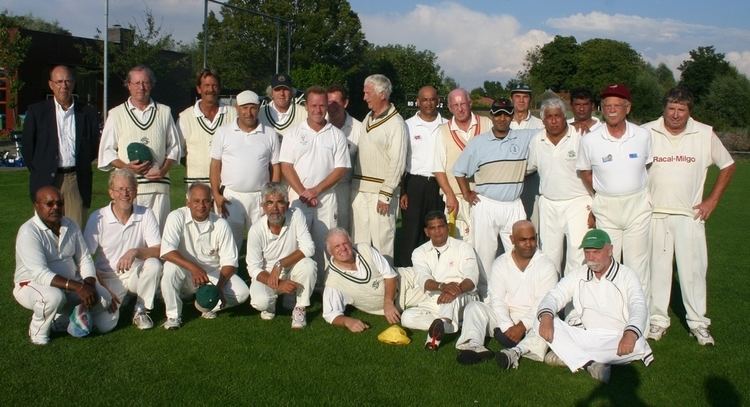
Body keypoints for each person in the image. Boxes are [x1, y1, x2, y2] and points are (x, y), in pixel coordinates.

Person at [643, 87, 736, 345]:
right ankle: (658, 320)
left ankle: (698, 323)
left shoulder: (704, 133)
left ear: (689, 111)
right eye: (671, 108)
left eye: (681, 109)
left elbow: (728, 165)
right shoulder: (647, 131)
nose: (675, 114)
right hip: (655, 214)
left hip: (690, 215)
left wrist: (712, 200)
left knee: (693, 272)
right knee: (658, 272)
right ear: (664, 108)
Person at [536, 229, 654, 383]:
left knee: (638, 344)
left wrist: (630, 335)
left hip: (617, 338)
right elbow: (554, 295)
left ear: (610, 250)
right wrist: (546, 318)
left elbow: (638, 306)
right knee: (539, 318)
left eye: (596, 252)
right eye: (587, 252)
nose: (591, 258)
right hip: (586, 336)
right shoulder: (579, 273)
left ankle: (569, 355)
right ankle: (590, 365)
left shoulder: (627, 275)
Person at [453, 98, 536, 297]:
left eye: (506, 114)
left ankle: (518, 294)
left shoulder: (523, 137)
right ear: (491, 116)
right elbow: (459, 170)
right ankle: (485, 296)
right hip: (486, 204)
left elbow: (553, 129)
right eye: (497, 114)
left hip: (514, 205)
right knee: (484, 254)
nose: (501, 118)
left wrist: (579, 125)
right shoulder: (479, 142)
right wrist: (466, 193)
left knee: (519, 251)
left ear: (511, 116)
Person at [576, 83, 652, 295]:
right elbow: (585, 171)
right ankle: (612, 319)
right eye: (607, 105)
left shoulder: (642, 135)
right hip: (607, 207)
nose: (611, 109)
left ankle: (639, 323)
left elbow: (647, 166)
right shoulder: (590, 139)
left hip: (637, 206)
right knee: (608, 263)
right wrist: (602, 192)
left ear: (627, 108)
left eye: (616, 105)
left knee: (638, 266)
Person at [13, 186, 108, 345]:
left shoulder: (70, 225)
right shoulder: (28, 231)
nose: (56, 207)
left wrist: (89, 284)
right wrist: (79, 287)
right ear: (37, 206)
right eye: (49, 204)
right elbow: (40, 273)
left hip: (69, 284)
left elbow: (84, 258)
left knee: (103, 299)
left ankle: (61, 321)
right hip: (30, 284)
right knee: (53, 297)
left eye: (59, 203)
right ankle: (38, 332)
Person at [455, 221, 557, 368]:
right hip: (505, 315)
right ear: (512, 240)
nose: (529, 244)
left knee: (551, 320)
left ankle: (515, 352)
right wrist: (507, 326)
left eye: (532, 239)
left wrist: (521, 326)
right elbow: (497, 299)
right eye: (523, 239)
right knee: (474, 307)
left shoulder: (546, 265)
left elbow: (543, 302)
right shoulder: (500, 263)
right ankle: (475, 345)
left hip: (533, 318)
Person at [98, 65, 181, 229]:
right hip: (129, 188)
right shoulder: (116, 114)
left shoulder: (164, 111)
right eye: (136, 83)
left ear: (151, 84)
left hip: (158, 187)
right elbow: (106, 151)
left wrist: (163, 170)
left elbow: (175, 147)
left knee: (157, 238)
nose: (141, 87)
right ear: (128, 85)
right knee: (131, 235)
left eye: (145, 82)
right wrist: (127, 167)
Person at [160, 183, 250, 329]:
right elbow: (167, 251)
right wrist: (194, 268)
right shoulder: (176, 216)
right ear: (187, 202)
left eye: (206, 201)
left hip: (211, 274)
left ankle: (206, 305)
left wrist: (219, 288)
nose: (201, 206)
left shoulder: (221, 224)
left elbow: (230, 263)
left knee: (243, 293)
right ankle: (173, 316)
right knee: (170, 268)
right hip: (185, 271)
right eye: (196, 201)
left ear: (212, 203)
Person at [280, 86, 350, 271]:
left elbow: (341, 168)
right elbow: (286, 166)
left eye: (322, 105)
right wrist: (304, 192)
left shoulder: (337, 135)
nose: (318, 110)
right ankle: (292, 289)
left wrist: (316, 191)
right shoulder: (293, 133)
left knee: (325, 244)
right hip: (298, 198)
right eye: (313, 105)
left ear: (327, 106)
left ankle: (324, 287)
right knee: (295, 244)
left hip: (325, 200)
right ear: (306, 106)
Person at [84, 169, 162, 331]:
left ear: (135, 192)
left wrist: (135, 252)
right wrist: (103, 289)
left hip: (134, 274)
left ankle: (140, 309)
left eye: (129, 189)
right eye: (120, 189)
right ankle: (72, 315)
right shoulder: (98, 218)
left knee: (154, 264)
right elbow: (85, 259)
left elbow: (158, 249)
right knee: (105, 325)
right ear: (111, 193)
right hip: (107, 277)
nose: (125, 194)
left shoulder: (146, 213)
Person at [22, 65, 99, 227]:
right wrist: (42, 169)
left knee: (75, 230)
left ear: (73, 83)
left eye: (67, 81)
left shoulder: (87, 112)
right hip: (45, 180)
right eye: (59, 81)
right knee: (46, 232)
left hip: (75, 180)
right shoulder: (37, 112)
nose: (63, 85)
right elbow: (28, 150)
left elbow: (93, 146)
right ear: (51, 84)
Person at [209, 90, 281, 252]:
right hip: (231, 198)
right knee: (229, 246)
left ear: (258, 108)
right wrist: (216, 194)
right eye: (244, 108)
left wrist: (271, 197)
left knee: (264, 245)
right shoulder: (223, 132)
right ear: (237, 108)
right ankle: (227, 277)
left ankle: (261, 277)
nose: (248, 112)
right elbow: (215, 165)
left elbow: (276, 167)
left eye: (253, 108)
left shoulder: (270, 134)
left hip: (260, 198)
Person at [527, 98, 591, 275]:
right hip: (549, 203)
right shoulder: (536, 140)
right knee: (549, 255)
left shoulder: (580, 136)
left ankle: (574, 301)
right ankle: (551, 299)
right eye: (549, 117)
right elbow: (528, 168)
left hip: (578, 202)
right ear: (543, 119)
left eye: (558, 116)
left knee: (577, 254)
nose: (554, 120)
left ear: (565, 117)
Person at [323, 228, 427, 333]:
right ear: (330, 252)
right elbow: (330, 314)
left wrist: (388, 302)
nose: (343, 248)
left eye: (345, 243)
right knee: (437, 296)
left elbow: (389, 275)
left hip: (405, 276)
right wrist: (347, 321)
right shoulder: (332, 280)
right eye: (337, 246)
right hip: (403, 298)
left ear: (351, 243)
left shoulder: (365, 249)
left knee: (437, 274)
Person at [401, 211, 479, 350]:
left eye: (441, 226)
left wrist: (456, 290)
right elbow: (423, 279)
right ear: (426, 231)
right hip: (435, 297)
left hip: (462, 296)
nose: (438, 231)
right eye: (433, 228)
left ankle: (433, 339)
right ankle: (449, 324)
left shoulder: (464, 247)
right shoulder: (419, 252)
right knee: (406, 317)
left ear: (447, 227)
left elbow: (472, 279)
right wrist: (443, 287)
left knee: (450, 300)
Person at [350, 74, 408, 264]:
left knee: (382, 242)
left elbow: (398, 161)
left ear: (382, 94)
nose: (364, 97)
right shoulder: (368, 117)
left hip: (380, 194)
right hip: (360, 190)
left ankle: (387, 288)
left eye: (368, 93)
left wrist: (386, 194)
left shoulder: (396, 124)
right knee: (360, 241)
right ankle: (363, 286)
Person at [246, 183, 317, 329]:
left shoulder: (296, 215)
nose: (275, 208)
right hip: (267, 275)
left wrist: (280, 264)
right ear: (263, 206)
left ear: (287, 204)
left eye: (280, 202)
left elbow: (309, 248)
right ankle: (271, 304)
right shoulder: (256, 230)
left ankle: (299, 308)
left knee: (309, 265)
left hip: (290, 270)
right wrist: (279, 283)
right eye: (270, 203)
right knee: (261, 302)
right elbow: (253, 268)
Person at [433, 88, 493, 242]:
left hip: (483, 196)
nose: (460, 109)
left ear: (470, 103)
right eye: (455, 105)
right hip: (456, 198)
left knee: (484, 243)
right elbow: (438, 169)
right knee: (457, 244)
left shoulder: (486, 124)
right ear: (450, 108)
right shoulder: (442, 131)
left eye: (463, 104)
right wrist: (449, 195)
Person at [397, 86, 446, 266]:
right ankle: (406, 272)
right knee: (411, 231)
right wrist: (403, 191)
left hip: (439, 184)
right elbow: (401, 160)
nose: (428, 103)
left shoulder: (447, 124)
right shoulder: (406, 125)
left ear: (438, 101)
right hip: (414, 183)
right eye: (424, 100)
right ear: (418, 101)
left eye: (432, 99)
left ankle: (435, 270)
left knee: (437, 230)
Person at [178, 69, 236, 186]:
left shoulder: (233, 114)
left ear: (219, 88)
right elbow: (179, 152)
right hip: (196, 186)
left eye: (214, 86)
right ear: (199, 89)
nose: (211, 90)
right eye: (207, 85)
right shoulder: (185, 117)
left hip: (226, 183)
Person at [327, 85, 362, 233]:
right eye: (328, 102)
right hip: (323, 189)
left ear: (345, 103)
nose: (331, 106)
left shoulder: (358, 129)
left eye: (336, 102)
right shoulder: (319, 125)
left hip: (346, 189)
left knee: (343, 231)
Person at [509, 83, 545, 230]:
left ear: (530, 99)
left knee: (533, 225)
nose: (521, 100)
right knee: (511, 227)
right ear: (511, 99)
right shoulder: (503, 122)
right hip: (509, 182)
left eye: (525, 97)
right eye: (517, 96)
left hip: (532, 181)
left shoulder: (540, 124)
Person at [259, 73, 308, 138]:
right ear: (272, 93)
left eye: (285, 89)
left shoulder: (304, 113)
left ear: (291, 92)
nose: (282, 93)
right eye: (277, 89)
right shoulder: (259, 114)